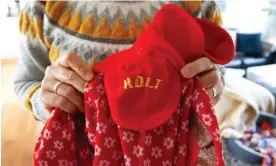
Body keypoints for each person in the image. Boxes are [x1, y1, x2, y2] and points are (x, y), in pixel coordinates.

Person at [15, 1, 224, 122]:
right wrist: (46, 103)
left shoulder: (199, 3)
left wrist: (213, 90)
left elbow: (216, 75)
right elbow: (26, 82)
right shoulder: (40, 4)